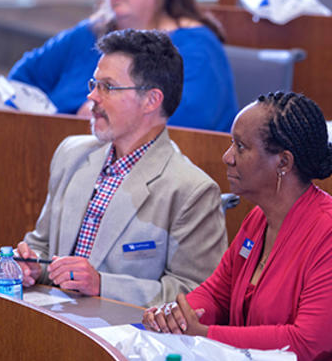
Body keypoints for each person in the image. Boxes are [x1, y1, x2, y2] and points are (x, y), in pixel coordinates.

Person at [143, 92, 332, 361]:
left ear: (283, 162)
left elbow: (307, 342)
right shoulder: (258, 219)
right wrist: (177, 316)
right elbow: (218, 292)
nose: (227, 157)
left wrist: (204, 334)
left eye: (241, 147)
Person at [15, 29, 227, 307]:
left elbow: (198, 296)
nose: (92, 97)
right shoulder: (71, 154)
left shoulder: (191, 190)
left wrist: (102, 285)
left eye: (108, 87)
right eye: (94, 84)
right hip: (56, 322)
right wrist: (31, 265)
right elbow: (43, 246)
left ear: (151, 100)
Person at [8, 0, 237, 131]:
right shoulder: (90, 33)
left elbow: (184, 118)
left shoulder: (198, 46)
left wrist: (96, 113)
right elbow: (22, 78)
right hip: (61, 149)